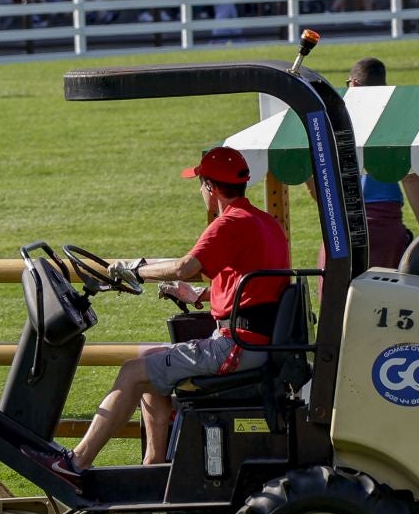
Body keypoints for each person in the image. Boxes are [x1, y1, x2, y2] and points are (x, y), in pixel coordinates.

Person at [31, 147, 291, 479]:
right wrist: (198, 295)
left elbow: (184, 266)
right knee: (152, 364)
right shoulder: (266, 224)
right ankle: (154, 470)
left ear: (210, 187)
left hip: (237, 347)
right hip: (256, 342)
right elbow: (254, 284)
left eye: (200, 184)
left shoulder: (229, 224)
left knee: (131, 372)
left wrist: (134, 271)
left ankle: (74, 463)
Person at [347, 58, 419, 269]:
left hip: (343, 221)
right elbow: (410, 177)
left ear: (354, 84)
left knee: (340, 295)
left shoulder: (335, 118)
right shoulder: (393, 120)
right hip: (386, 222)